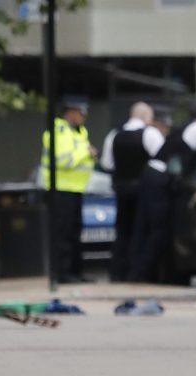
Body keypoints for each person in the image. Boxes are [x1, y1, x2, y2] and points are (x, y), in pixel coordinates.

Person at [100, 102, 165, 282]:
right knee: (141, 230)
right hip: (144, 190)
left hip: (121, 188)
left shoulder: (114, 135)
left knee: (122, 230)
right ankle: (137, 271)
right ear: (147, 117)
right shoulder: (150, 133)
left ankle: (118, 271)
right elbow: (161, 160)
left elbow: (107, 164)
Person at [40, 97, 97, 283]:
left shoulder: (79, 132)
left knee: (75, 233)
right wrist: (86, 153)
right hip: (61, 189)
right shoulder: (58, 131)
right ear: (70, 112)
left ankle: (75, 272)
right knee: (63, 235)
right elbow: (63, 161)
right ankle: (62, 273)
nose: (84, 117)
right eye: (81, 113)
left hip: (76, 189)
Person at [128, 108, 173, 282]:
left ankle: (134, 271)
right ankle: (144, 271)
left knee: (137, 229)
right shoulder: (153, 134)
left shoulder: (118, 135)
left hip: (136, 184)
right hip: (154, 183)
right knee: (155, 230)